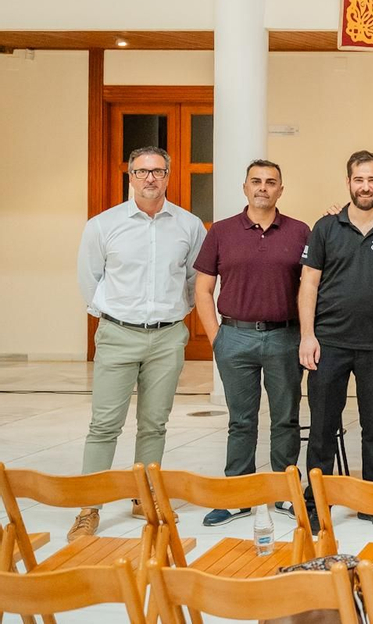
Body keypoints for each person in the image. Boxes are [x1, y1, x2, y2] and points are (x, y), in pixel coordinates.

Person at [69, 146, 206, 542]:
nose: (150, 178)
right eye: (142, 171)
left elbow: (195, 278)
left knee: (154, 423)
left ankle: (143, 496)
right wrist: (114, 316)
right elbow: (89, 278)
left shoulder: (189, 225)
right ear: (129, 176)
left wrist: (175, 313)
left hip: (166, 336)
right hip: (117, 334)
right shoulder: (103, 225)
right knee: (104, 425)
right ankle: (88, 507)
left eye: (158, 171)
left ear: (168, 176)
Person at [299, 150, 373, 528]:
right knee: (322, 426)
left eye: (372, 179)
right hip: (329, 342)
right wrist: (307, 336)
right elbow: (309, 285)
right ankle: (318, 503)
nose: (366, 187)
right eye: (359, 179)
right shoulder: (326, 227)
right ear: (348, 182)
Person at [194, 159, 309, 526]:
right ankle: (237, 495)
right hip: (235, 337)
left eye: (271, 182)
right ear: (245, 187)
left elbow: (310, 287)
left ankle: (284, 492)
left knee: (286, 419)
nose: (263, 187)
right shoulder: (222, 231)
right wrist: (218, 339)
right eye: (256, 181)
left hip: (284, 337)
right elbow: (203, 289)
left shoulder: (299, 231)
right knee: (241, 421)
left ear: (281, 189)